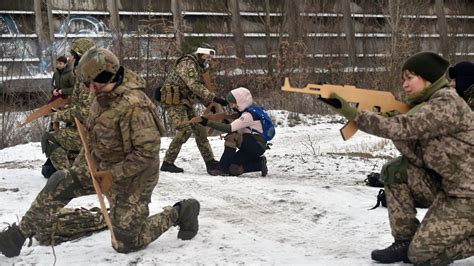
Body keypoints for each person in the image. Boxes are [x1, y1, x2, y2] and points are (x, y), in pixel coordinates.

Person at [0, 48, 200, 257]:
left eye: (94, 84)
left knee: (126, 243)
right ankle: (17, 236)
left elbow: (146, 154)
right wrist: (78, 171)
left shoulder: (136, 106)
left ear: (109, 76)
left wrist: (112, 176)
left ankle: (180, 212)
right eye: (87, 85)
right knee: (60, 181)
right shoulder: (101, 97)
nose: (91, 90)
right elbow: (93, 138)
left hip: (134, 178)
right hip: (104, 166)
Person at [321, 51, 474, 264]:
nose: (405, 85)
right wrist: (388, 119)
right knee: (396, 170)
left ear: (428, 78)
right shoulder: (429, 105)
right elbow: (417, 155)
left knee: (421, 256)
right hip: (449, 187)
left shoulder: (447, 103)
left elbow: (405, 127)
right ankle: (404, 240)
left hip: (468, 196)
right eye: (403, 80)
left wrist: (354, 114)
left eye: (410, 78)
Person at [158, 45, 227, 173]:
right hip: (174, 101)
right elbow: (193, 85)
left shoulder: (198, 66)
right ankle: (167, 163)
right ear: (201, 55)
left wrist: (209, 105)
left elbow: (198, 88)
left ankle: (210, 162)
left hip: (185, 101)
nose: (209, 60)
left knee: (200, 129)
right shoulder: (188, 63)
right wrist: (214, 98)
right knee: (184, 130)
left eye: (211, 58)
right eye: (207, 57)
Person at [40, 38, 95, 178]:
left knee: (49, 138)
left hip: (90, 133)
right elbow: (77, 103)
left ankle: (71, 175)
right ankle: (69, 165)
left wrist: (58, 115)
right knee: (48, 168)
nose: (70, 58)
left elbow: (84, 112)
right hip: (79, 128)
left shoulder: (89, 80)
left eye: (73, 56)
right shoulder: (83, 77)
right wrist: (63, 109)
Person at [194, 87, 269, 177]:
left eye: (233, 103)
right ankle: (259, 164)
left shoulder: (248, 115)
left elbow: (229, 128)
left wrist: (206, 122)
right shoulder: (245, 112)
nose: (232, 106)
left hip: (255, 145)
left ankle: (221, 168)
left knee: (232, 136)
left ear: (241, 102)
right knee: (233, 169)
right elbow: (236, 126)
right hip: (253, 147)